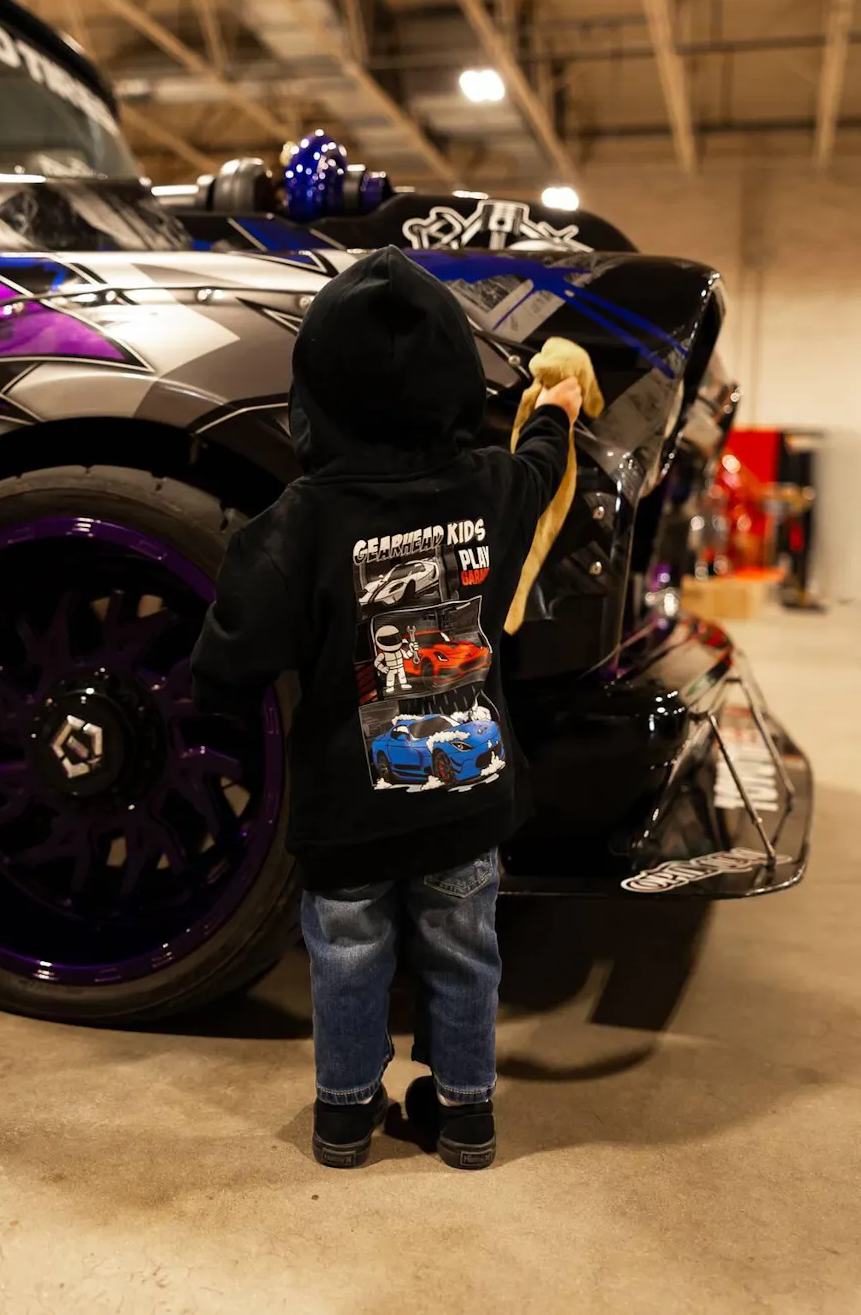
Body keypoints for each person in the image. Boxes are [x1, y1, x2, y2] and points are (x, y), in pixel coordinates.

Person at [191, 245, 582, 1171]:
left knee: (348, 953)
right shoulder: (491, 488)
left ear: (314, 396)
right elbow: (539, 464)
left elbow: (233, 654)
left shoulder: (299, 520)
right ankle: (467, 1114)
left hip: (348, 809)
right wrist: (557, 410)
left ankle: (343, 1113)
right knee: (466, 951)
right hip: (468, 794)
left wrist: (218, 715)